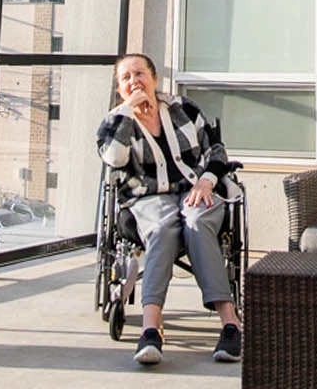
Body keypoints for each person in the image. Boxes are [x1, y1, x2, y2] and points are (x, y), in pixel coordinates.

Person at [94, 53, 242, 366]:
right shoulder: (113, 122)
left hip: (196, 191)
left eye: (140, 73)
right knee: (162, 229)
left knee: (196, 223)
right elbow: (115, 160)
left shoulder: (182, 109)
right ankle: (151, 330)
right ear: (120, 88)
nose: (134, 80)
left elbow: (216, 149)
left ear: (154, 79)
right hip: (147, 199)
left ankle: (230, 323)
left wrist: (207, 179)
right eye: (126, 77)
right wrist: (128, 116)